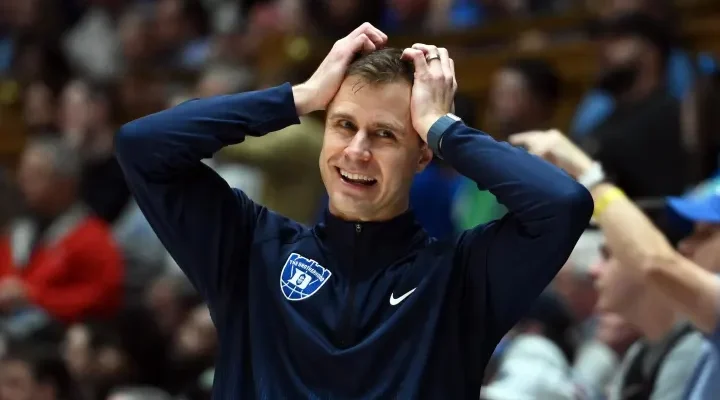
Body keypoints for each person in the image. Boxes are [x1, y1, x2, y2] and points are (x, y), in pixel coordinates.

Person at [115, 23, 593, 398]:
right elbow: (142, 146)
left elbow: (563, 205)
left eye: (385, 134)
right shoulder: (252, 248)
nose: (357, 151)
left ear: (422, 155)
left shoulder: (461, 279)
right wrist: (299, 97)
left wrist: (441, 126)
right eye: (344, 125)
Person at [509, 129, 720, 399]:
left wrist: (587, 174)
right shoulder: (650, 349)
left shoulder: (690, 348)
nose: (684, 247)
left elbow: (655, 262)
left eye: (706, 234)